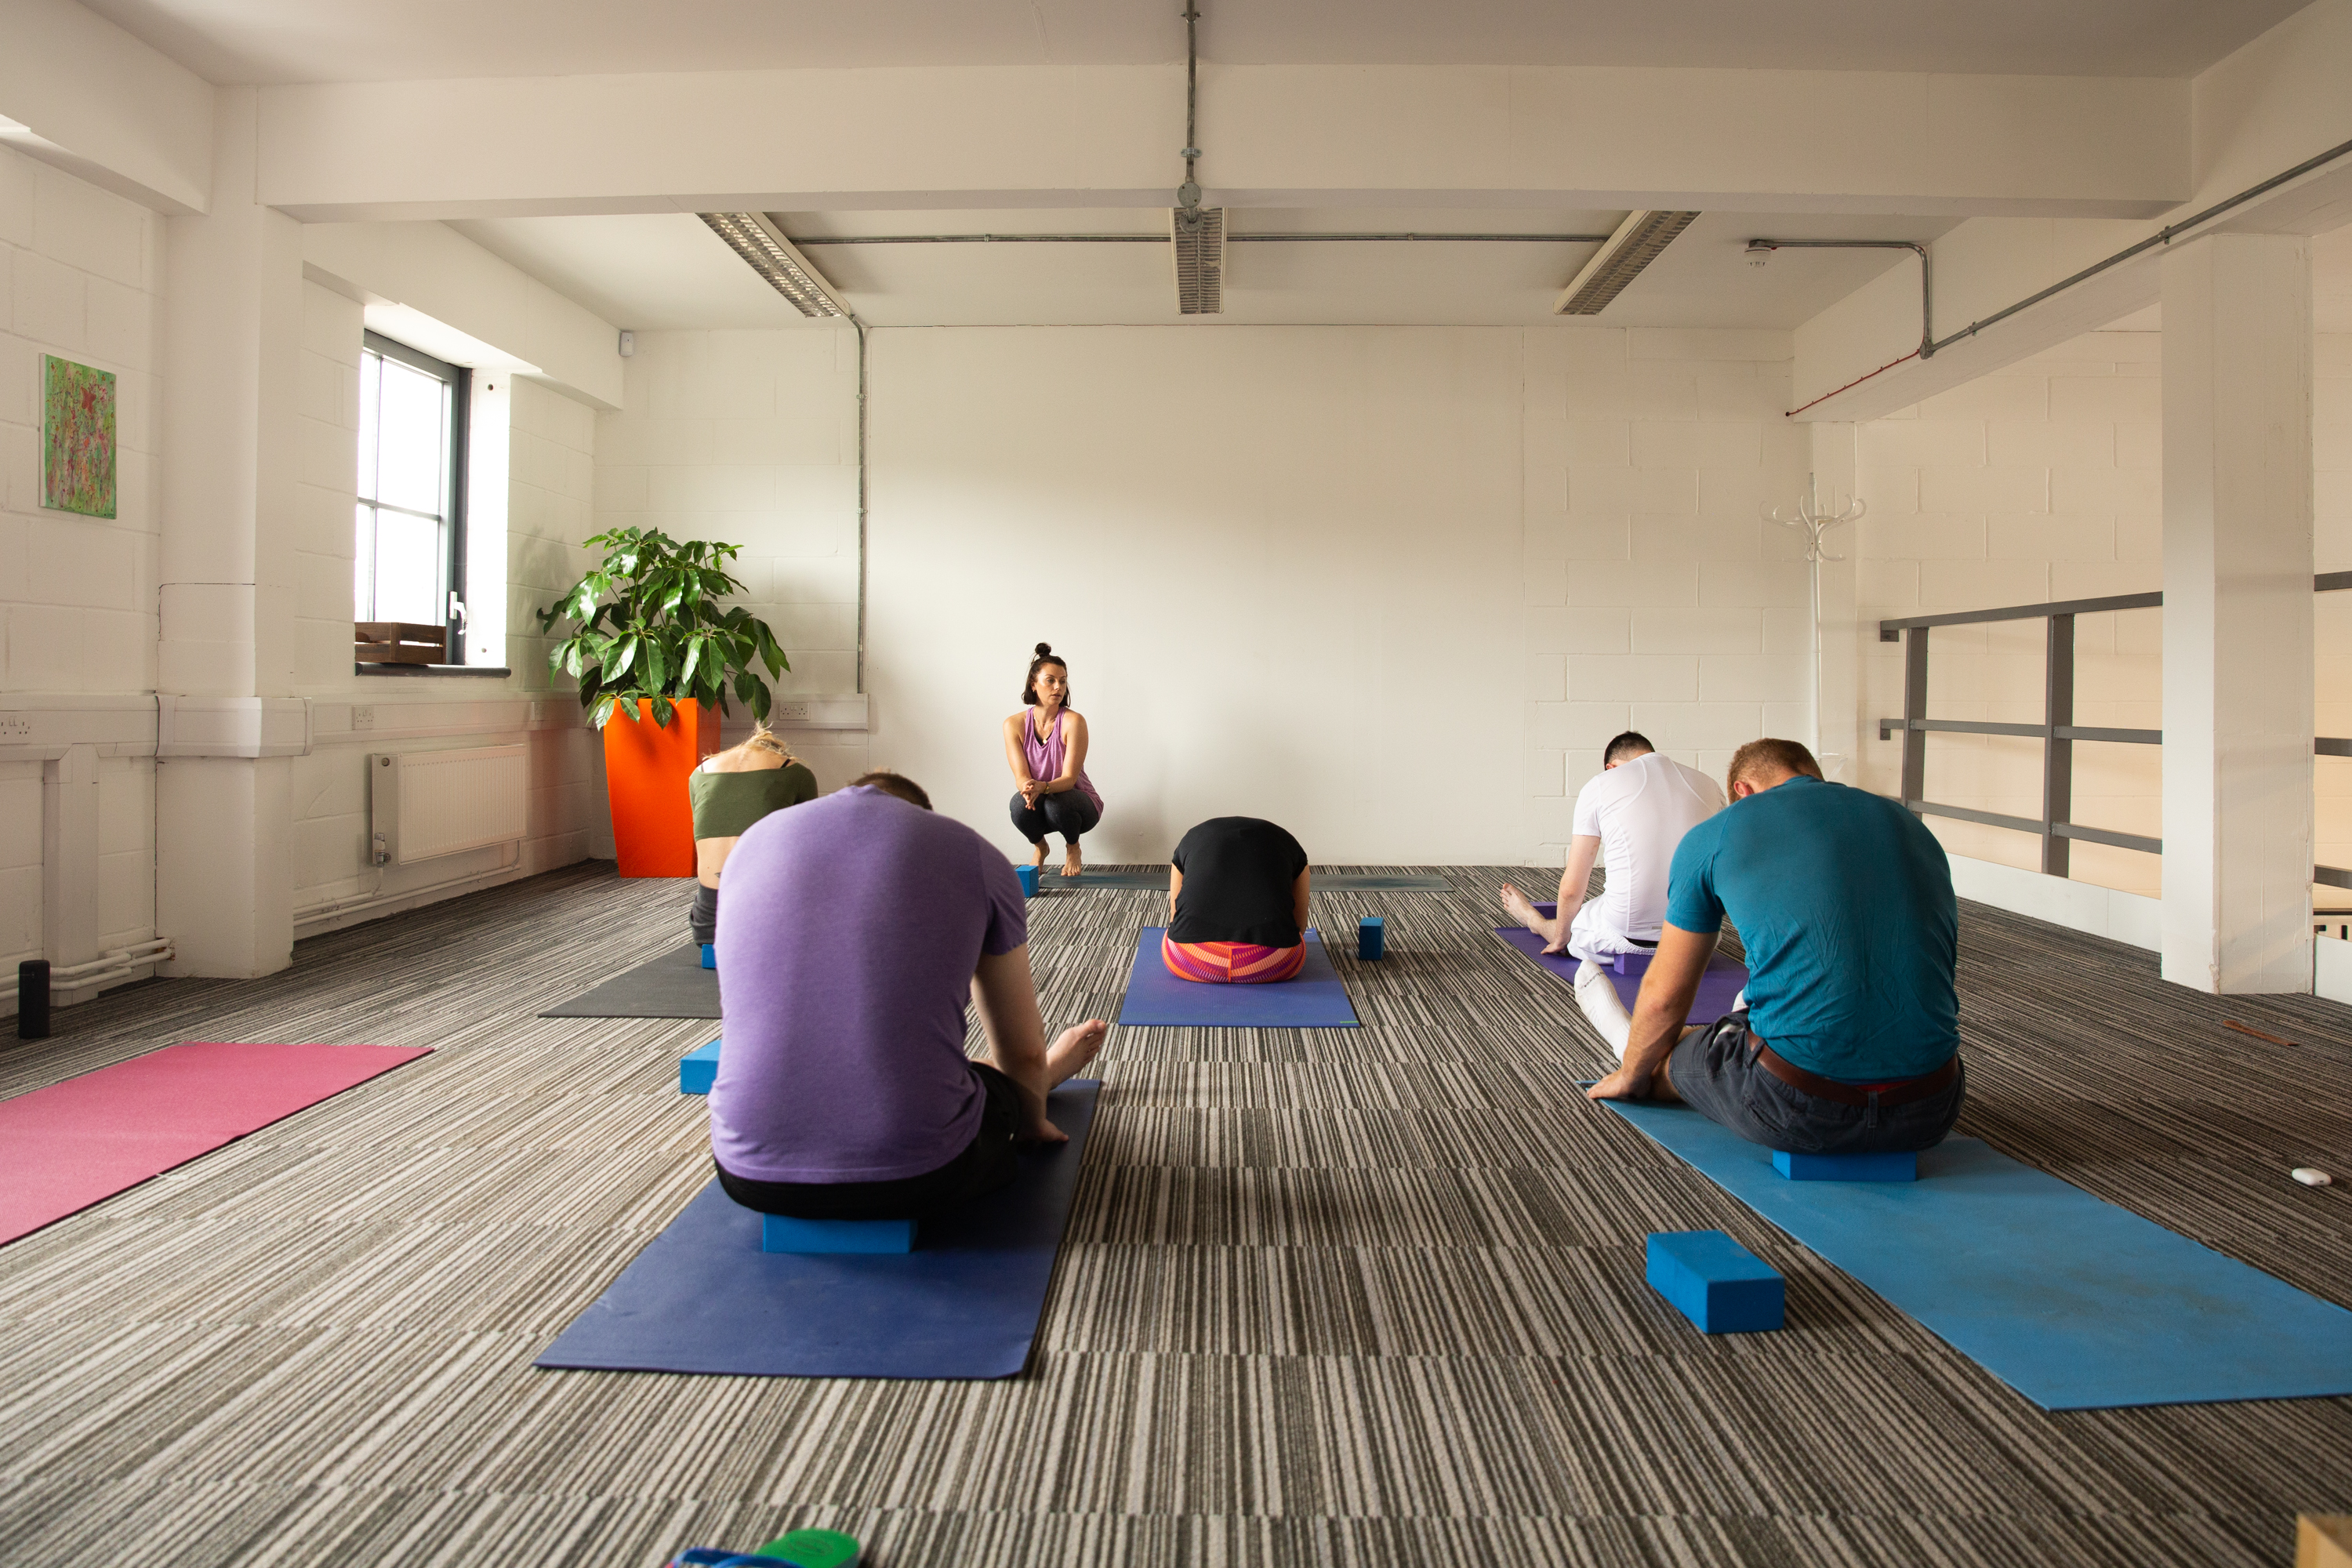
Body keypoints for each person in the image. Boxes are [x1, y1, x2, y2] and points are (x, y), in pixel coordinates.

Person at [709, 769, 1109, 1222]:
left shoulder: (753, 844)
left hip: (747, 1174)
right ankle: (1044, 1081)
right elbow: (1023, 1051)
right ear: (920, 815)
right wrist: (1030, 1123)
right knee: (988, 1077)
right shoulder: (971, 852)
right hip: (924, 1172)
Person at [1585, 739, 1964, 1157]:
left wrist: (1633, 1076)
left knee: (1659, 1062)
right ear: (1813, 774)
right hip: (1931, 1108)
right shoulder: (1909, 824)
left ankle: (1629, 1044)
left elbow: (1664, 997)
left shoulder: (1720, 831)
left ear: (1742, 790)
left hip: (1796, 1108)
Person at [1498, 731, 1724, 1049]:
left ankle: (1533, 920)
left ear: (1611, 767)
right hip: (1698, 942)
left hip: (1624, 937)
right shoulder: (1709, 784)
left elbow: (1573, 887)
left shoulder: (1601, 785)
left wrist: (1561, 938)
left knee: (1571, 925)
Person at [686, 720, 819, 946]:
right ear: (780, 752)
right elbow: (809, 851)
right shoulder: (795, 772)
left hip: (708, 927)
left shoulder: (698, 774)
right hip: (766, 923)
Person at [1163, 816, 1311, 984]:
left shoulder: (1189, 840)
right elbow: (1300, 927)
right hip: (1276, 962)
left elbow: (1174, 918)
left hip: (1188, 959)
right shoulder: (1289, 844)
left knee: (1172, 934)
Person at [1004, 643, 1102, 879]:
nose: (1059, 687)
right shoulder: (1013, 725)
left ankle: (1073, 847)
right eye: (1050, 680)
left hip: (1078, 805)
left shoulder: (1074, 722)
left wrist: (1042, 787)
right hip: (1041, 803)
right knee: (1018, 805)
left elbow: (1069, 779)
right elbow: (1021, 776)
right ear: (1033, 684)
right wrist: (1028, 788)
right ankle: (1040, 848)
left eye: (1063, 681)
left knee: (1056, 803)